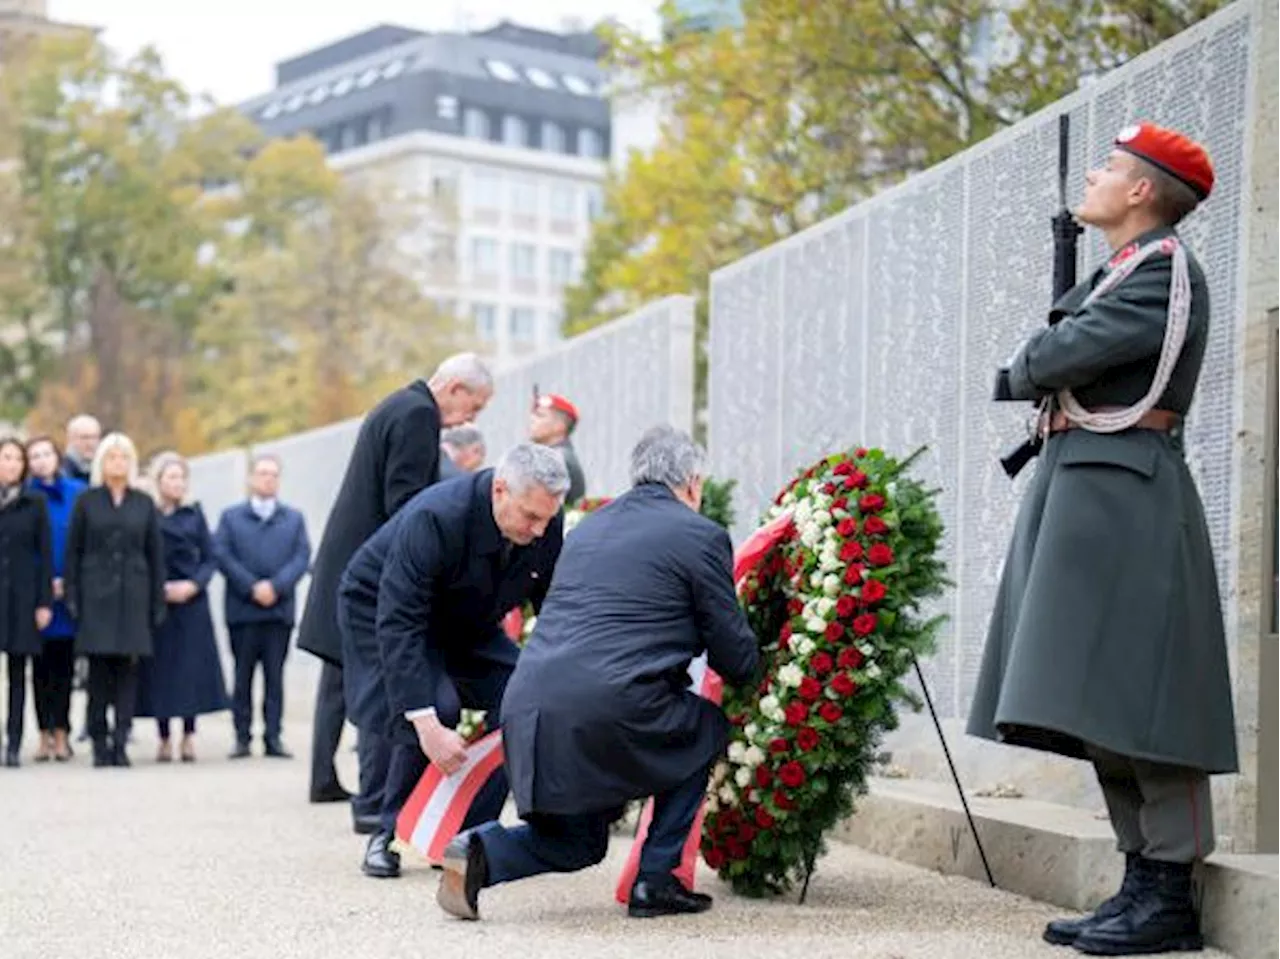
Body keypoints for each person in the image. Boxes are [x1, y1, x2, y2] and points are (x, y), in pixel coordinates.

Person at [966, 121, 1237, 956]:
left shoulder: (1163, 272)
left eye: (1112, 168)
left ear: (1144, 191)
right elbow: (1052, 354)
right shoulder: (1122, 269)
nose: (1095, 177)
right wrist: (1041, 358)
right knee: (1100, 707)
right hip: (1087, 492)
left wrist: (1037, 359)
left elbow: (1058, 353)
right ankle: (1139, 881)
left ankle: (1169, 891)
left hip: (1127, 497)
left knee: (1146, 705)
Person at [434, 425, 759, 922]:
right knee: (705, 727)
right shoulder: (700, 534)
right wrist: (759, 664)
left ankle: (482, 852)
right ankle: (656, 879)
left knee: (577, 845)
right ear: (693, 483)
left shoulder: (589, 529)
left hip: (530, 708)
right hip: (613, 709)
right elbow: (733, 655)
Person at [338, 443, 566, 879]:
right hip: (384, 611)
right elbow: (399, 620)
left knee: (525, 697)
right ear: (500, 490)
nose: (539, 531)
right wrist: (426, 726)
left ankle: (469, 833)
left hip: (466, 616)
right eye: (530, 517)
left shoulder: (543, 524)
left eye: (547, 519)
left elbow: (554, 606)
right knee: (434, 707)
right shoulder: (436, 517)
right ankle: (388, 834)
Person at [297, 353, 493, 810]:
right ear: (456, 389)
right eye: (475, 406)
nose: (469, 419)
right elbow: (404, 503)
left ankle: (328, 779)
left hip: (348, 559)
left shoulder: (399, 405)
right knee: (372, 683)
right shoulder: (419, 414)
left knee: (340, 678)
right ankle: (374, 800)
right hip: (368, 569)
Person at [65, 432, 166, 768]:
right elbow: (73, 553)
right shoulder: (87, 501)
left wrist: (156, 601)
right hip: (96, 598)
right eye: (112, 457)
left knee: (128, 673)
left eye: (124, 457)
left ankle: (121, 739)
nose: (118, 463)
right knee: (98, 675)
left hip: (133, 598)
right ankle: (98, 740)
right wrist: (73, 597)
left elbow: (155, 556)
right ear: (101, 463)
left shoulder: (143, 503)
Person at [213, 454, 311, 760]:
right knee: (242, 676)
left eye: (273, 474)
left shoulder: (294, 519)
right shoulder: (231, 518)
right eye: (262, 473)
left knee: (274, 676)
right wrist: (252, 586)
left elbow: (301, 557)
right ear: (251, 479)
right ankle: (241, 736)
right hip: (243, 612)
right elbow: (223, 555)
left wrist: (275, 586)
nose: (268, 479)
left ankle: (273, 736)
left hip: (278, 612)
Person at [134, 453, 229, 763]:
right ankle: (163, 736)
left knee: (190, 670)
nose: (177, 483)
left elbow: (210, 556)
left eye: (181, 478)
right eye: (171, 477)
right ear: (158, 481)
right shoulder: (147, 513)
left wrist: (194, 585)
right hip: (158, 600)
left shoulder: (194, 513)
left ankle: (189, 735)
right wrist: (157, 588)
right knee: (160, 670)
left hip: (191, 601)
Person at [25, 436, 83, 763]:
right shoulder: (27, 497)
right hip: (37, 595)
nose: (41, 460)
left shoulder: (77, 493)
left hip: (70, 592)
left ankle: (63, 731)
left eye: (46, 453)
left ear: (57, 457)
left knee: (65, 666)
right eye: (34, 455)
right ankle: (44, 732)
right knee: (40, 667)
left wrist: (69, 582)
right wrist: (43, 586)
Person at [0, 437, 53, 767]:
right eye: (5, 458)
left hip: (21, 596)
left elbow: (44, 555)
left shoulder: (34, 504)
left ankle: (14, 741)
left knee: (19, 671)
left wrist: (43, 602)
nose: (11, 465)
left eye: (17, 459)